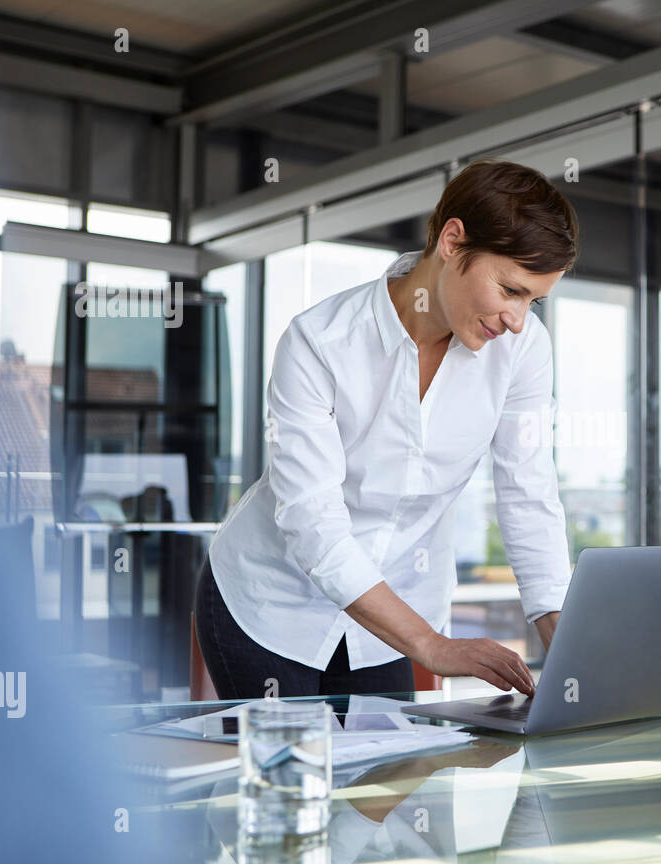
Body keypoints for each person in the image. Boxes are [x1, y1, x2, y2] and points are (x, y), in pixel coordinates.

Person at [195, 158, 579, 700]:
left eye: (533, 300)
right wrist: (432, 644)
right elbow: (313, 520)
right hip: (270, 604)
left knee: (389, 780)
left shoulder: (523, 350)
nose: (518, 319)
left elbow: (529, 492)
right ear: (452, 241)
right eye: (510, 290)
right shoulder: (318, 344)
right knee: (292, 779)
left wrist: (562, 635)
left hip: (391, 616)